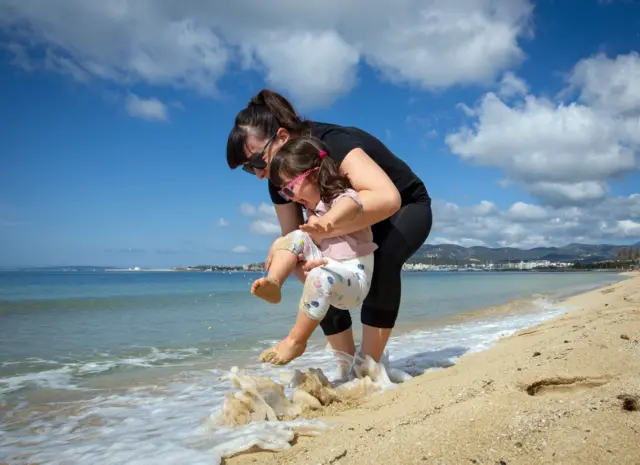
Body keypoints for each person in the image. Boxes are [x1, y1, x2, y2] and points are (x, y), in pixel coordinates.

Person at [226, 89, 432, 368]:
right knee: (312, 268)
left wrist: (324, 229)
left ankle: (369, 368)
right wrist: (293, 252)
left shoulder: (333, 143)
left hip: (405, 207)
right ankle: (345, 364)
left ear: (283, 137)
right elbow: (296, 234)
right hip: (342, 223)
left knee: (383, 259)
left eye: (256, 162)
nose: (259, 174)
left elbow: (387, 198)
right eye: (248, 170)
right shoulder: (279, 180)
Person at [252, 136, 377, 366]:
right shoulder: (312, 210)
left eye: (290, 189)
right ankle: (274, 283)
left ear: (314, 174)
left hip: (355, 279)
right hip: (330, 270)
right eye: (285, 194)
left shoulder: (343, 196)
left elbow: (351, 205)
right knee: (294, 237)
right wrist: (283, 245)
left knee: (320, 277)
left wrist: (328, 221)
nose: (291, 198)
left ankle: (296, 341)